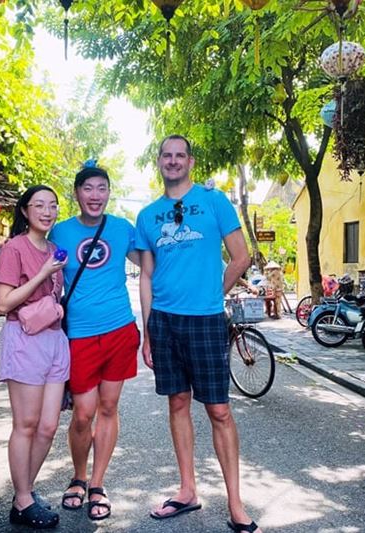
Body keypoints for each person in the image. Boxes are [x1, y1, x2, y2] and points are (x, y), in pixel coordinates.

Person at [136, 135, 263, 533]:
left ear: (190, 161)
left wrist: (214, 293)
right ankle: (187, 489)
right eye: (166, 156)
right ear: (158, 162)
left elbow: (242, 256)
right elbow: (147, 275)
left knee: (219, 410)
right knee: (177, 403)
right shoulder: (148, 216)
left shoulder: (214, 201)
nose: (173, 162)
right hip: (165, 321)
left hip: (206, 319)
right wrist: (147, 331)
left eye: (180, 156)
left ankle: (236, 503)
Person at [48, 163, 140, 521]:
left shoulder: (121, 229)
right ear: (77, 193)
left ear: (108, 193)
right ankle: (78, 475)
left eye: (102, 188)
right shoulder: (61, 232)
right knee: (83, 414)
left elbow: (151, 263)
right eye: (88, 188)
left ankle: (97, 483)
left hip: (119, 328)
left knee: (108, 408)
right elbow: (43, 274)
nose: (95, 195)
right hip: (79, 334)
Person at [0, 185, 69, 530]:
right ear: (25, 211)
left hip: (55, 339)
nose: (47, 211)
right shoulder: (14, 248)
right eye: (39, 205)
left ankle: (24, 492)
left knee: (49, 425)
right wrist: (43, 273)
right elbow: (4, 303)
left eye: (52, 205)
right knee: (25, 424)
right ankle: (23, 499)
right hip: (24, 339)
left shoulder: (55, 249)